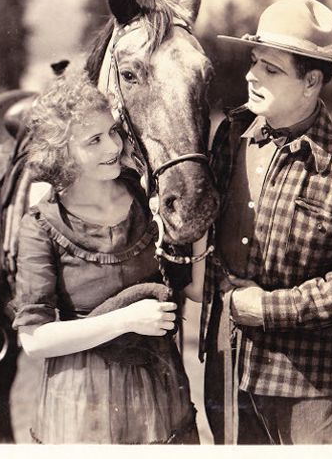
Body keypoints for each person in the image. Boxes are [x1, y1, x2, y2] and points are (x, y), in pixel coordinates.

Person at [197, 0, 332, 444]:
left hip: (314, 389)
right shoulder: (230, 138)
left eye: (271, 68)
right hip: (229, 372)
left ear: (310, 83)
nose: (251, 75)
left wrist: (268, 309)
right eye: (253, 62)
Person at [10, 68, 200, 444]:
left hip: (160, 390)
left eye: (112, 131)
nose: (113, 147)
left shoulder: (146, 197)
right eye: (93, 140)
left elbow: (192, 285)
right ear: (61, 153)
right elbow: (34, 339)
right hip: (82, 401)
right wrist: (125, 319)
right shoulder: (42, 226)